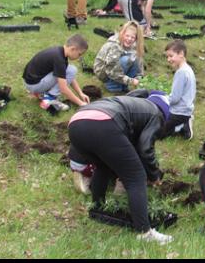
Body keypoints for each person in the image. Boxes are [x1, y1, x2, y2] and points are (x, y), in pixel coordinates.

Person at [67, 92, 173, 244]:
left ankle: (98, 207)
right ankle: (145, 232)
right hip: (103, 123)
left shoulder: (135, 106)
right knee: (136, 177)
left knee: (103, 167)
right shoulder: (158, 114)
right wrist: (154, 175)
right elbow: (145, 148)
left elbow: (130, 148)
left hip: (76, 123)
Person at [68, 89, 171, 195]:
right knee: (131, 163)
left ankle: (84, 175)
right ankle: (121, 186)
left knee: (102, 161)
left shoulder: (119, 104)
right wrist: (154, 174)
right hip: (104, 136)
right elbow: (145, 150)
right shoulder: (155, 115)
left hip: (78, 132)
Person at [23, 34, 90, 111]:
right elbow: (63, 89)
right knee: (72, 70)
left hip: (31, 82)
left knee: (70, 70)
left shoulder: (59, 51)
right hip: (34, 85)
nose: (79, 57)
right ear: (72, 49)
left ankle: (41, 93)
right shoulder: (59, 59)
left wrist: (80, 93)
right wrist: (81, 103)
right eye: (79, 54)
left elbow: (69, 76)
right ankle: (48, 99)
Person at [155, 40, 196, 140]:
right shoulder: (188, 69)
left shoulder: (181, 73)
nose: (168, 59)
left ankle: (181, 125)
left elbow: (175, 98)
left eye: (171, 56)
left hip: (178, 112)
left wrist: (162, 100)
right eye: (167, 56)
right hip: (186, 110)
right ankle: (183, 124)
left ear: (181, 54)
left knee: (157, 134)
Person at [93, 21, 145, 93]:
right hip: (105, 72)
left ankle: (123, 85)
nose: (129, 39)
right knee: (126, 60)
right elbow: (112, 69)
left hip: (116, 70)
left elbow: (139, 64)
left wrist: (140, 79)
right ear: (122, 34)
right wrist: (131, 81)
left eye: (132, 37)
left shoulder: (134, 45)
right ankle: (113, 86)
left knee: (135, 57)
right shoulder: (114, 45)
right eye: (127, 36)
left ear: (136, 39)